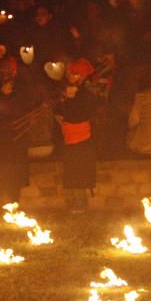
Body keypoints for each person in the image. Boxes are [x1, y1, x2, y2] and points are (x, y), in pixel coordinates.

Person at [0, 57, 30, 205]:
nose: (5, 73)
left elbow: (21, 109)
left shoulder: (22, 89)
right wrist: (0, 96)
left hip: (15, 135)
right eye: (2, 70)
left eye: (9, 70)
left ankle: (14, 201)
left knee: (14, 171)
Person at [56, 58, 99, 214]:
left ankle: (80, 204)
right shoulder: (66, 92)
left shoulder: (85, 94)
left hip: (82, 138)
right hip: (69, 138)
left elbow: (80, 113)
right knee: (72, 173)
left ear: (81, 76)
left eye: (73, 73)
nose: (69, 76)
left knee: (79, 173)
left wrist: (71, 100)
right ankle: (74, 202)